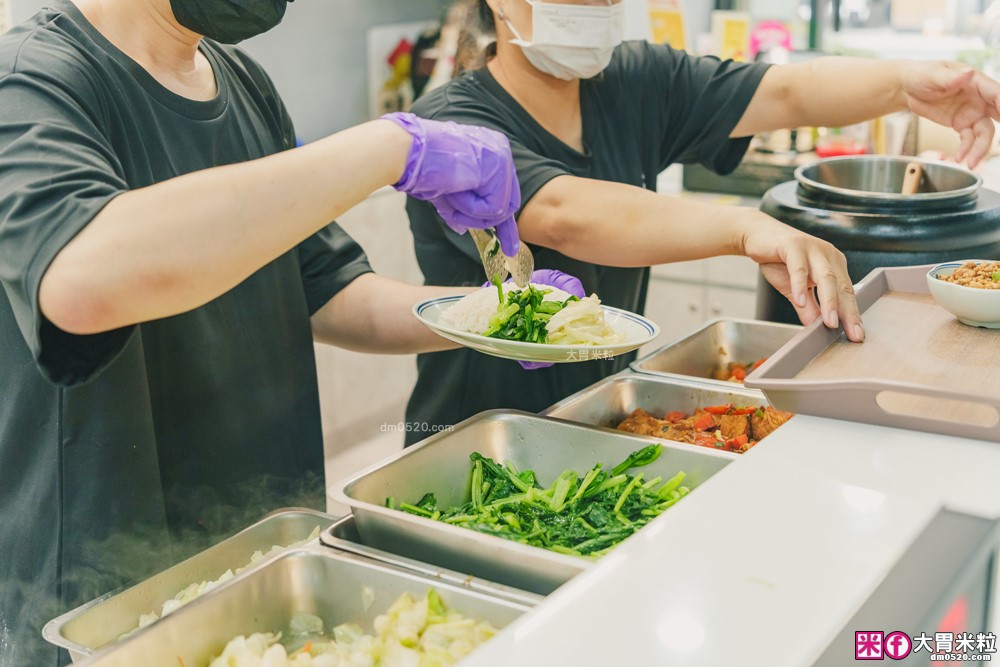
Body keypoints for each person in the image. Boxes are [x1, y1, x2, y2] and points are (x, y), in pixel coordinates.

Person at [0, 1, 530, 664]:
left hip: (261, 570)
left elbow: (330, 288)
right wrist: (387, 146)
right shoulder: (31, 79)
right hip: (107, 602)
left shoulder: (243, 83)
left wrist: (490, 314)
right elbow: (82, 277)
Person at [403, 0, 1000, 444]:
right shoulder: (451, 125)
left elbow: (787, 93)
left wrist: (905, 85)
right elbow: (561, 213)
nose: (596, 9)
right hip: (476, 429)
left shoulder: (632, 82)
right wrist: (742, 230)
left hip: (600, 413)